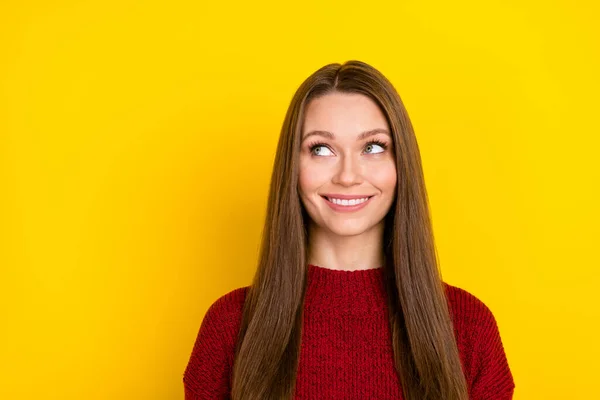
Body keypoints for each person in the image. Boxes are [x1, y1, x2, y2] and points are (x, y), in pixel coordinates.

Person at [183, 60, 515, 399]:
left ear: (401, 164)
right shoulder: (229, 327)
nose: (347, 176)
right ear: (293, 168)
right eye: (321, 149)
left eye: (372, 147)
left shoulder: (469, 328)